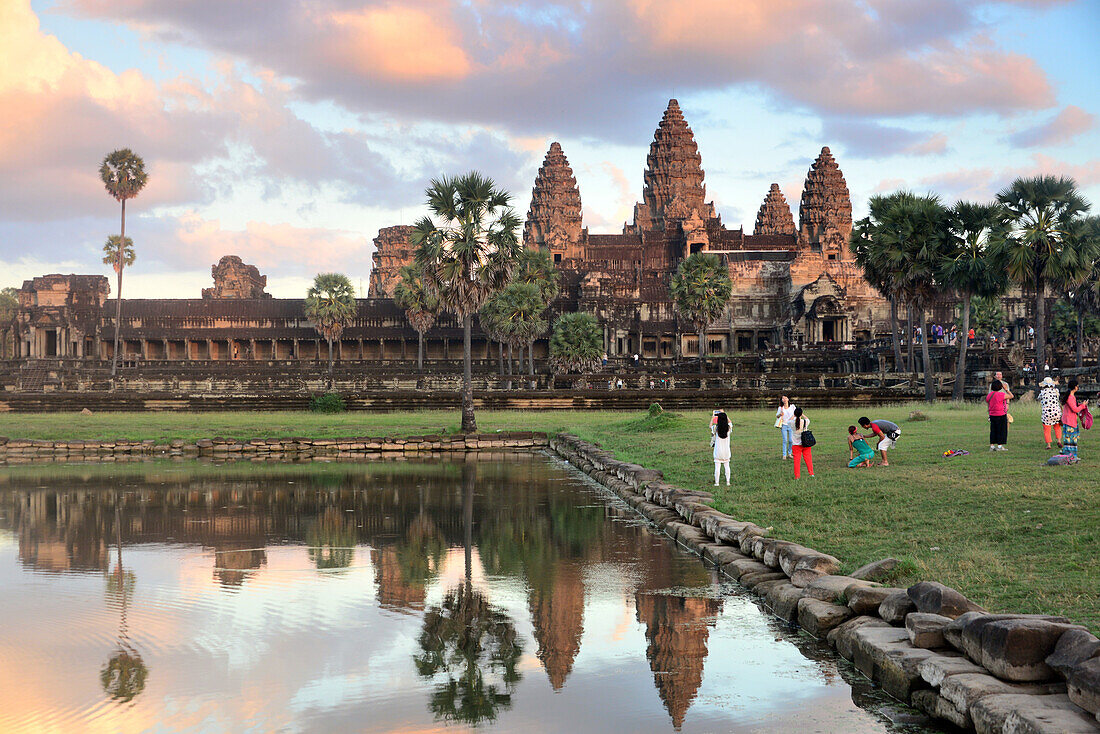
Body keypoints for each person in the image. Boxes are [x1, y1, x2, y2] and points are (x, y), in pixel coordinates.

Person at [1061, 379, 1088, 458]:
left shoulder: (1071, 397)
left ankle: (1070, 455)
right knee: (1071, 440)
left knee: (1072, 439)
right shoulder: (1070, 397)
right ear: (1075, 387)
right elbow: (1075, 409)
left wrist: (1081, 404)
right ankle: (1070, 456)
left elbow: (1074, 406)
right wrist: (1082, 406)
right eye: (1077, 386)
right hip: (1069, 421)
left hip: (1071, 420)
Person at [1039, 376, 1062, 449]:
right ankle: (1059, 441)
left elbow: (1039, 398)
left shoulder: (1042, 392)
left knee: (1047, 429)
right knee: (1057, 427)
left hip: (1047, 413)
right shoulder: (1056, 391)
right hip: (1056, 412)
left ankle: (1048, 445)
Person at [986, 379, 1009, 451]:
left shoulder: (990, 395)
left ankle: (992, 446)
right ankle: (1000, 446)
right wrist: (1006, 389)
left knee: (993, 430)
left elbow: (988, 402)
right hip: (1001, 414)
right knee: (1001, 430)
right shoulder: (1001, 394)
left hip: (992, 414)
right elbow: (1011, 396)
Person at [791, 407, 814, 479]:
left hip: (796, 445)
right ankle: (811, 473)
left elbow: (789, 420)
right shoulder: (805, 422)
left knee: (797, 461)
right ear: (801, 414)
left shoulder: (791, 423)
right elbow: (807, 419)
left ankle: (797, 476)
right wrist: (802, 414)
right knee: (808, 459)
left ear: (794, 414)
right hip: (805, 444)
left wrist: (794, 415)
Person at [711, 410, 731, 486]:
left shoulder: (715, 428)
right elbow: (730, 422)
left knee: (717, 468)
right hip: (726, 451)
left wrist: (713, 418)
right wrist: (725, 414)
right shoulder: (728, 428)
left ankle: (717, 482)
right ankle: (728, 482)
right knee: (727, 466)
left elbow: (710, 426)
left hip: (718, 451)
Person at [775, 395, 796, 460]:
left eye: (785, 398)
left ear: (788, 399)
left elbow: (796, 414)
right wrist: (780, 414)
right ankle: (784, 455)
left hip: (791, 425)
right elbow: (777, 416)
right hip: (784, 425)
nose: (784, 399)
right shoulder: (780, 408)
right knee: (785, 440)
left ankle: (789, 453)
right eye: (783, 398)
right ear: (781, 400)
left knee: (791, 440)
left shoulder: (792, 407)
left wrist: (793, 417)